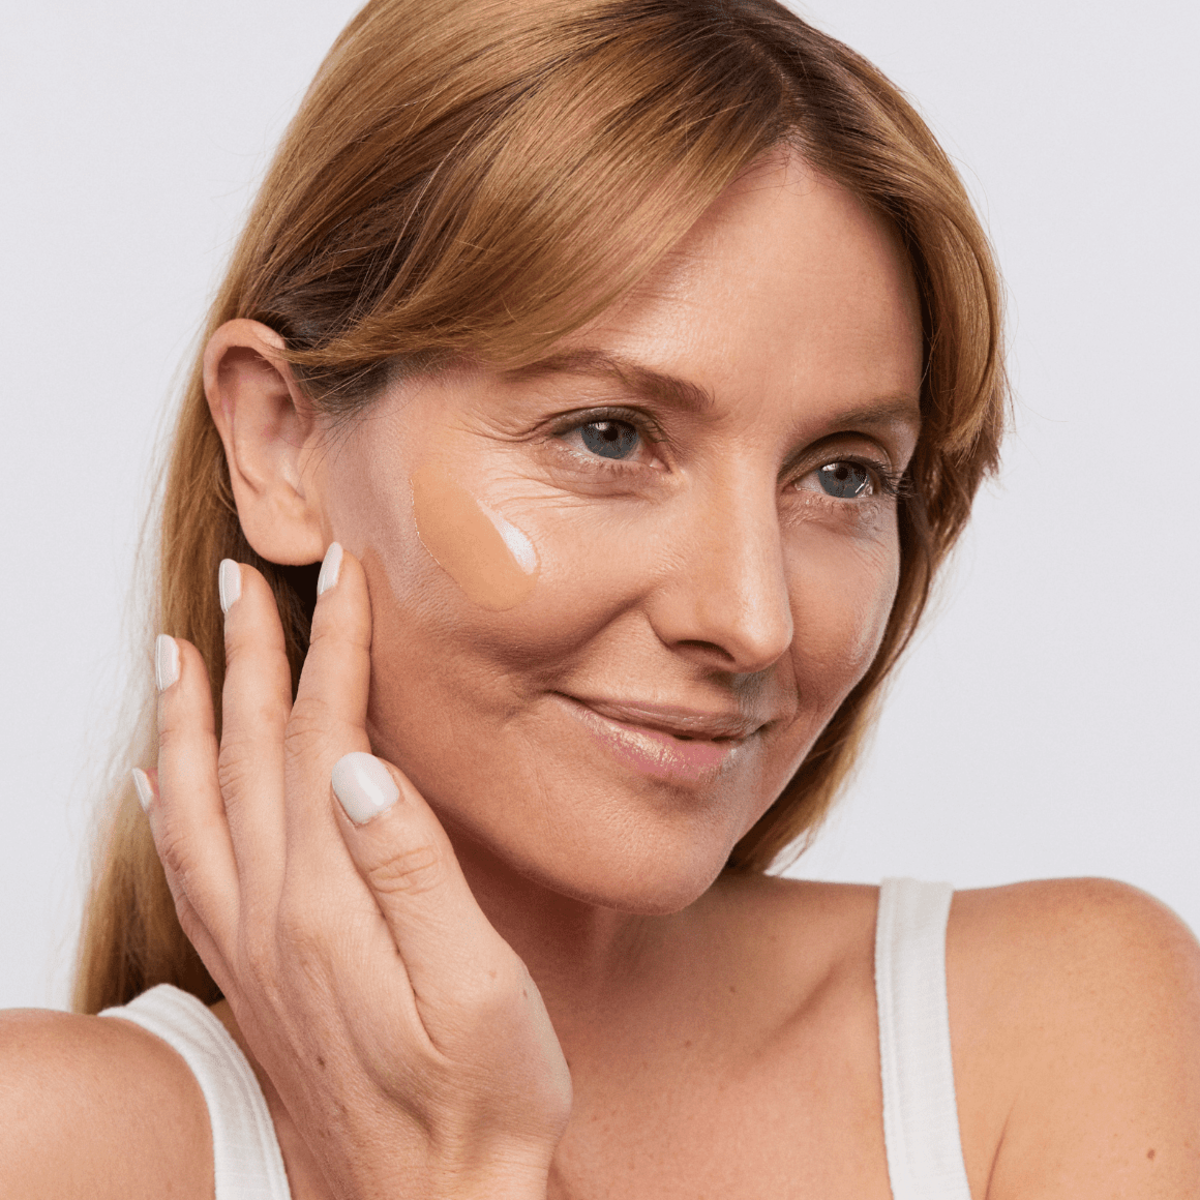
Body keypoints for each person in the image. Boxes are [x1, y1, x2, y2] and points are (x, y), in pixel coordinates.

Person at [3, 0, 1198, 1197]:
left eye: (841, 474)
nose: (754, 619)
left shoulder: (1062, 1029)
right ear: (281, 444)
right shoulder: (51, 1147)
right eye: (609, 435)